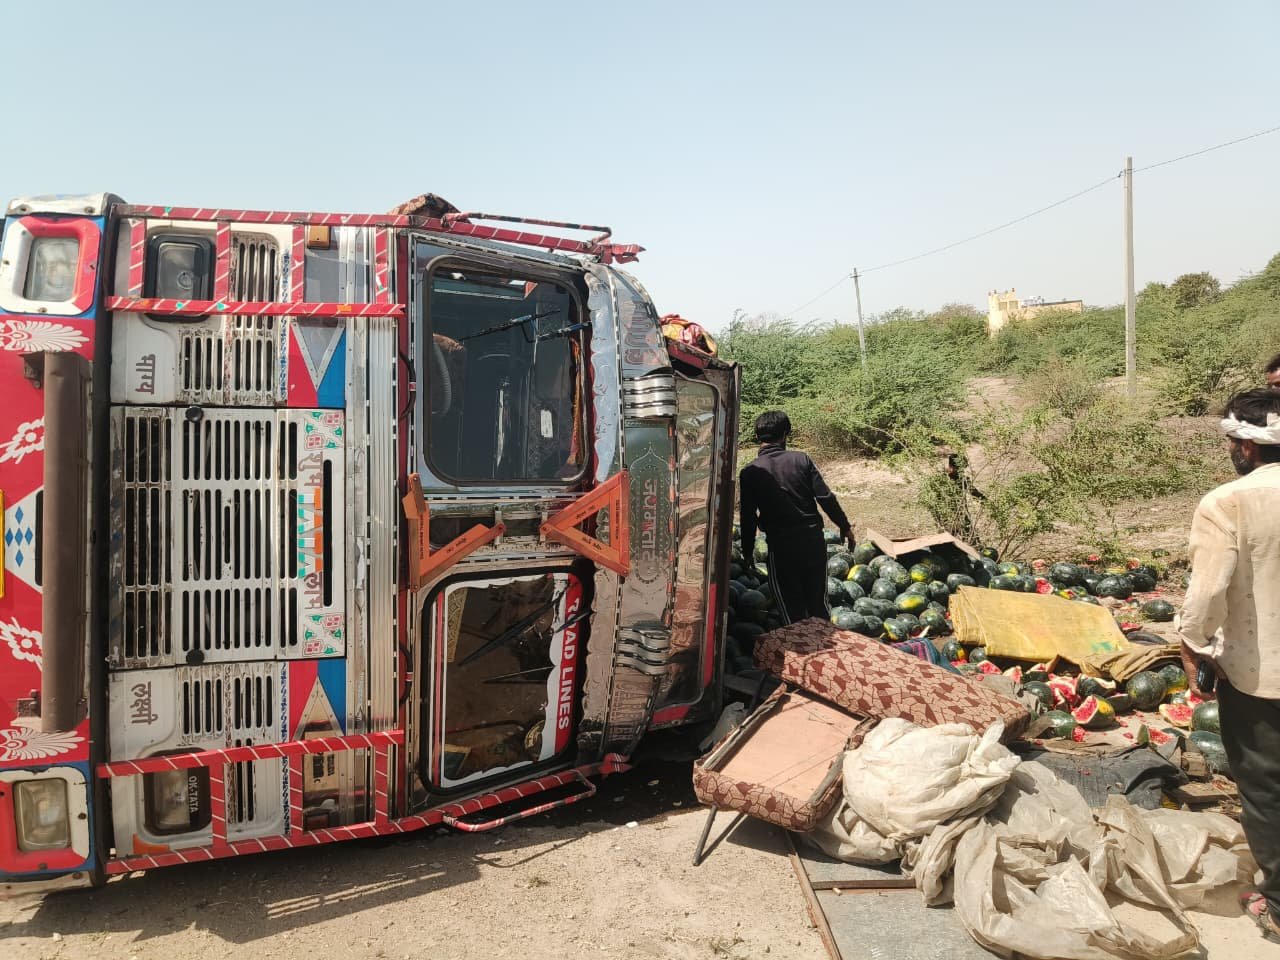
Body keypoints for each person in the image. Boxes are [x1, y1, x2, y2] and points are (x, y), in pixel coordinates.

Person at [1177, 387, 1280, 944]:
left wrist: (1192, 644)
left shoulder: (1227, 503)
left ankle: (1278, 905)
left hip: (1261, 675)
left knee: (1265, 787)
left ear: (1244, 445)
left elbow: (1208, 592)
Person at [739, 410, 855, 624]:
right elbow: (825, 497)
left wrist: (747, 553)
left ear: (757, 436)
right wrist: (844, 526)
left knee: (791, 610)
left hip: (782, 549)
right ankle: (824, 643)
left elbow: (748, 518)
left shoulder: (750, 472)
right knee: (818, 606)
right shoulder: (801, 460)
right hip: (813, 544)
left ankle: (801, 645)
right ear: (785, 434)